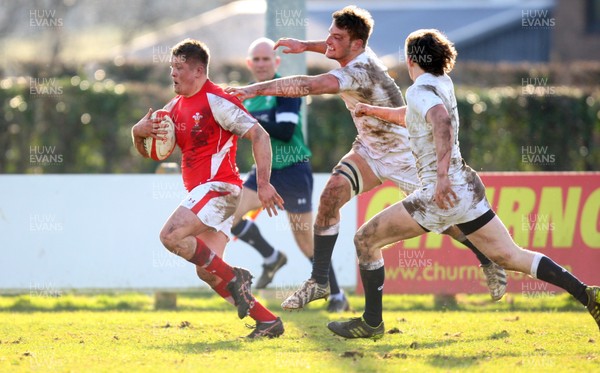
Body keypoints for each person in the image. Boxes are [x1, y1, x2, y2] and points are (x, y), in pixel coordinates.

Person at [226, 6, 507, 310]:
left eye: (336, 37)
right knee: (332, 194)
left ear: (356, 44)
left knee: (445, 219)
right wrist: (307, 46)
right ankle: (319, 281)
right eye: (329, 35)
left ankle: (487, 258)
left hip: (404, 155)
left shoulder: (360, 72)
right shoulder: (354, 51)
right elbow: (335, 48)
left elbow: (308, 86)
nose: (329, 42)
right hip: (368, 150)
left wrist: (251, 90)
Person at [326, 28, 600, 339]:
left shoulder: (418, 91)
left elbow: (440, 120)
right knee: (511, 256)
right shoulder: (440, 83)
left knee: (365, 240)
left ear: (411, 59)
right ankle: (588, 295)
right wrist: (374, 111)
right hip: (467, 188)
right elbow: (419, 117)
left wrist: (440, 178)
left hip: (438, 194)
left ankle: (372, 322)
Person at [131, 38, 285, 339]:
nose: (172, 74)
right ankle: (267, 321)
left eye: (179, 68)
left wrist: (264, 184)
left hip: (219, 188)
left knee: (170, 236)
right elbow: (153, 151)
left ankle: (236, 277)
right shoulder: (173, 107)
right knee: (207, 270)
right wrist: (137, 134)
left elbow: (260, 135)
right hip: (205, 194)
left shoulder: (217, 99)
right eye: (171, 67)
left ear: (199, 71)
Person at [230, 37, 350, 312]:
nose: (261, 64)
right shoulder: (247, 95)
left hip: (294, 170)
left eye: (266, 59)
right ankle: (271, 257)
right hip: (263, 172)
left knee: (305, 241)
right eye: (256, 59)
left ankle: (337, 295)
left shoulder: (286, 89)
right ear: (249, 64)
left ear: (276, 62)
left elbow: (283, 132)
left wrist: (247, 118)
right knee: (230, 216)